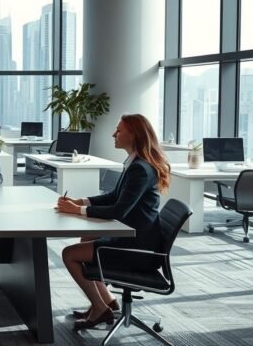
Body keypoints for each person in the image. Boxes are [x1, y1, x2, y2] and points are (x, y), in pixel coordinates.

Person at [55, 114, 170, 330]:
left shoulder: (140, 169)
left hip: (139, 250)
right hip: (138, 239)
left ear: (133, 134)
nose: (113, 134)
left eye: (118, 130)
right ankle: (107, 301)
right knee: (87, 237)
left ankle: (99, 309)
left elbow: (118, 209)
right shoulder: (136, 162)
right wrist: (80, 201)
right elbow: (113, 196)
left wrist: (78, 210)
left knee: (69, 254)